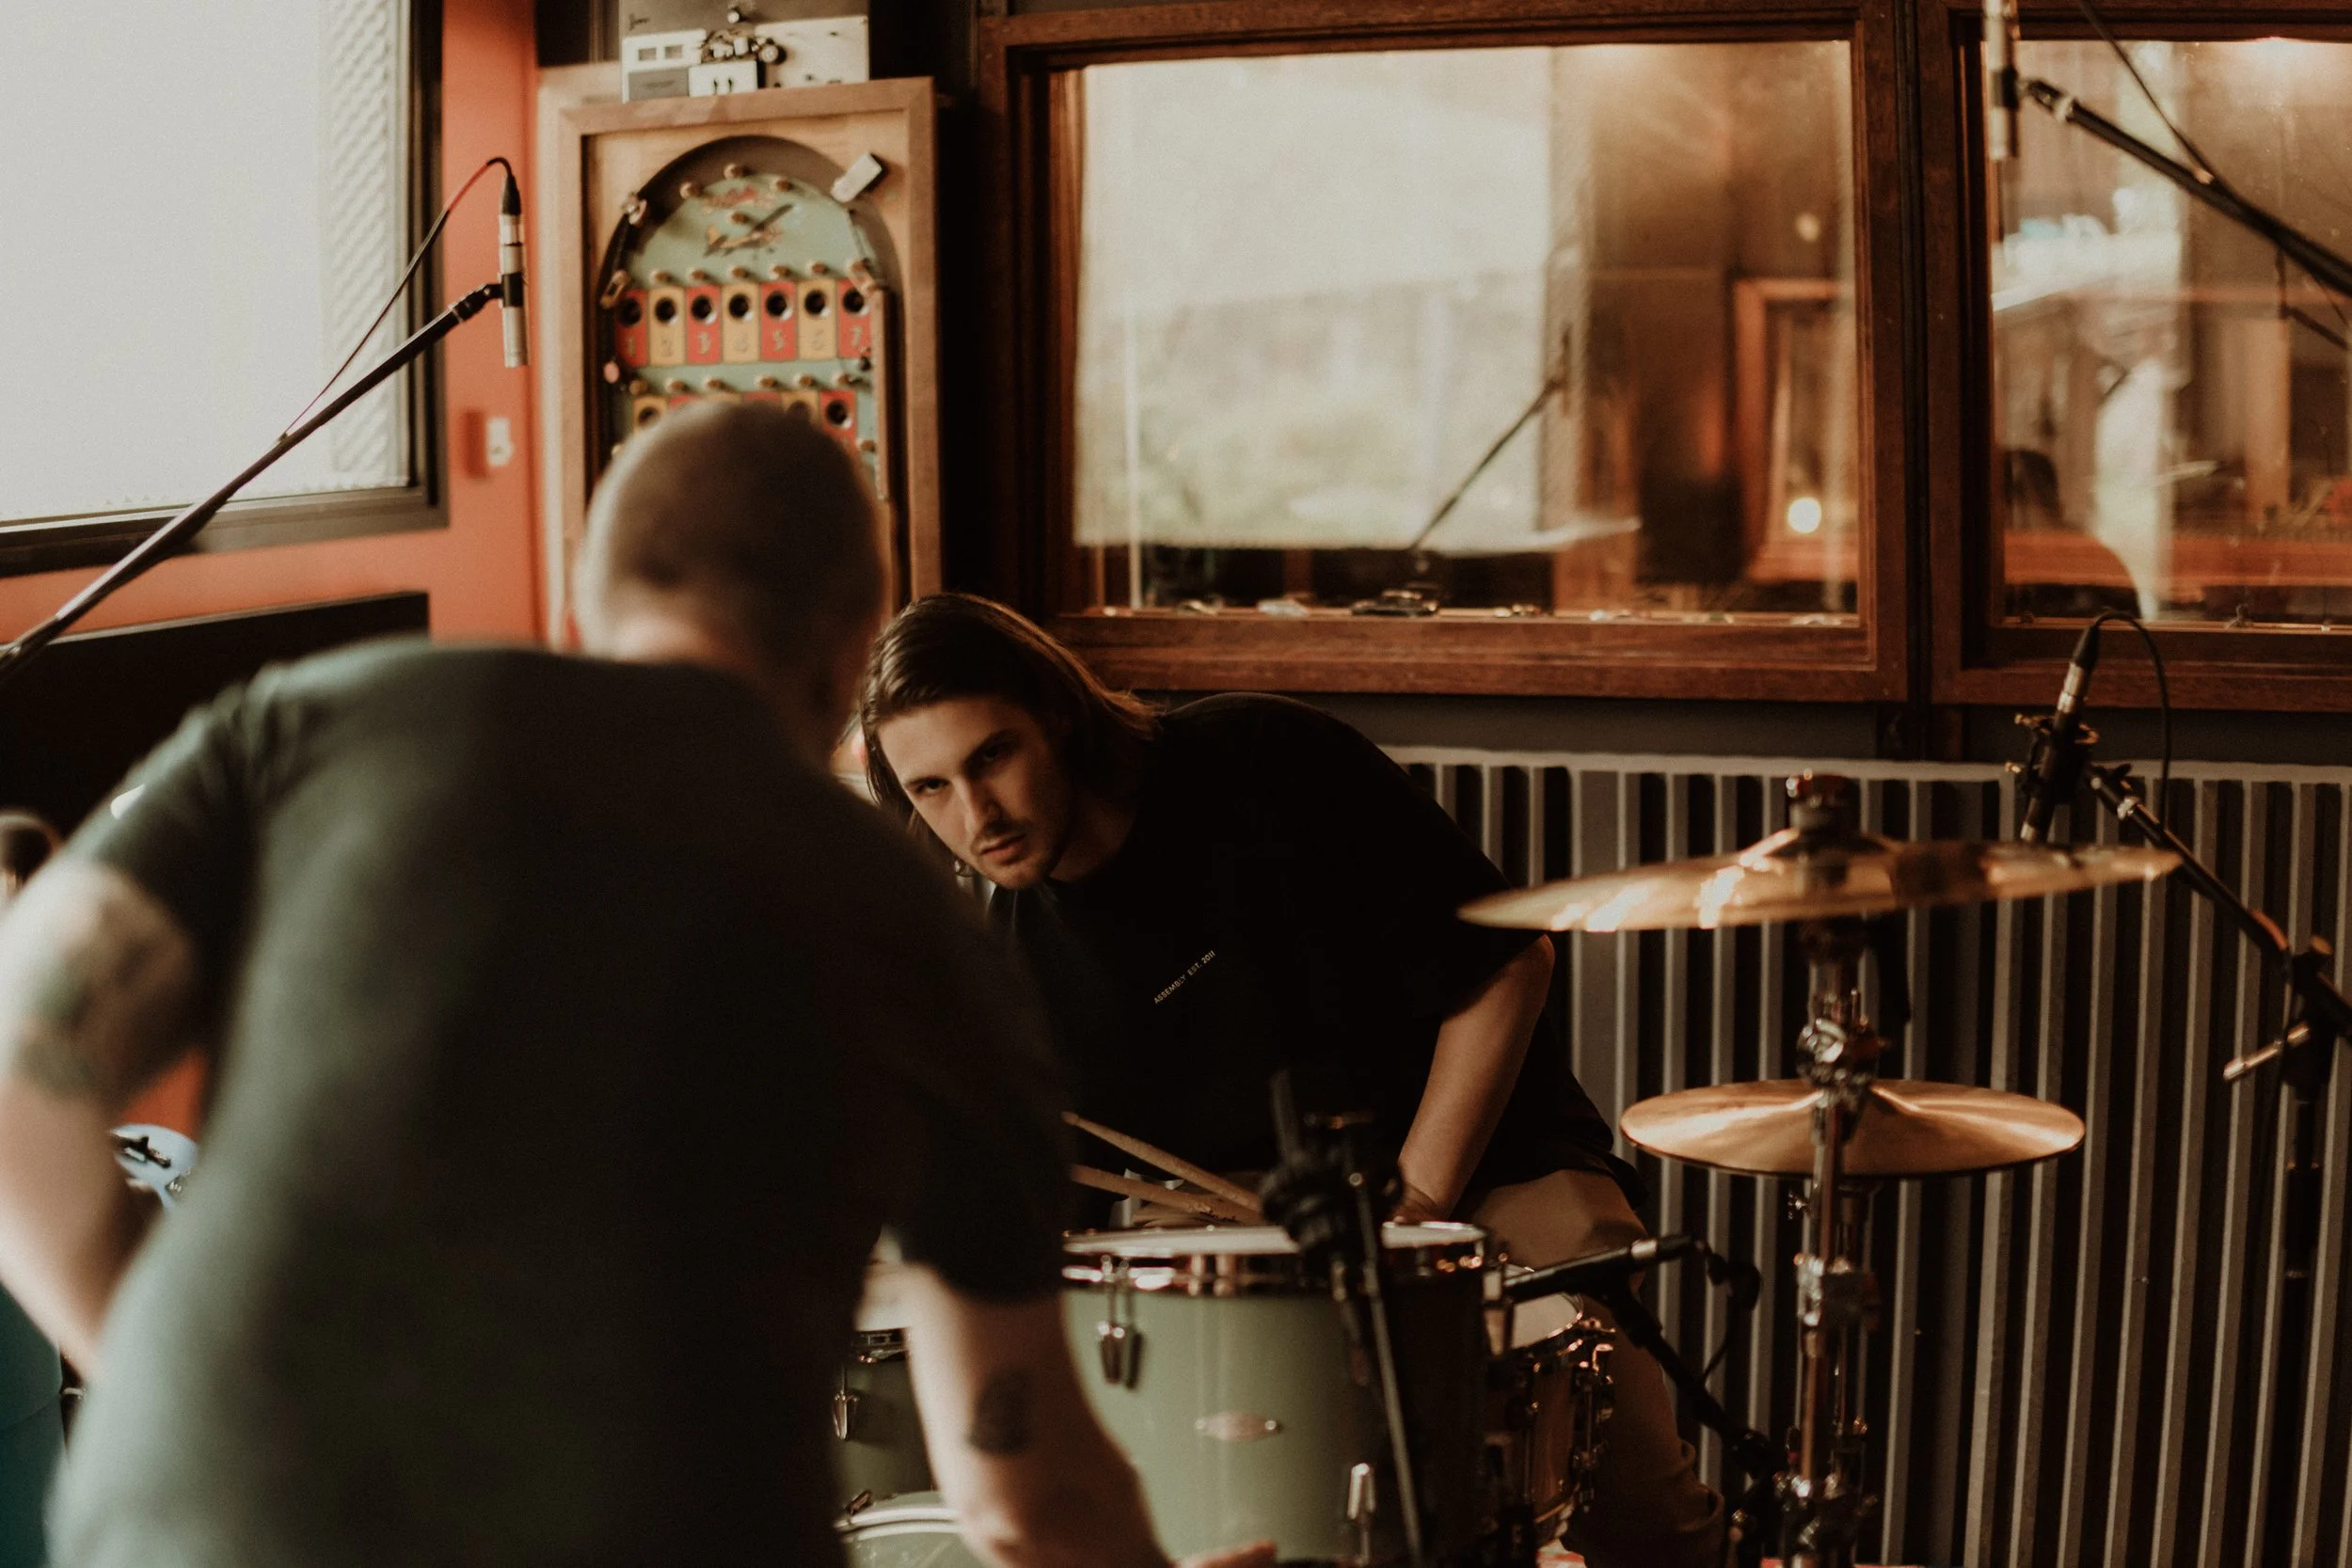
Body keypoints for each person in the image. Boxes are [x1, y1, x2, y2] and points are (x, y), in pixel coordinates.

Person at [0, 404, 1266, 1568]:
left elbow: (18, 1084)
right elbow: (1021, 1497)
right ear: (845, 651)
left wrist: (194, 1383)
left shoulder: (306, 719)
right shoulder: (917, 924)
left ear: (583, 587)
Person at [860, 594, 1727, 1568]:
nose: (977, 817)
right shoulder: (1011, 967)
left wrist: (1417, 1201)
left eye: (991, 756)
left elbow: (1505, 966)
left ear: (1055, 711)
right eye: (930, 788)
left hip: (1490, 1175)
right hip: (1250, 1251)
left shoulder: (1263, 760)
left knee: (1655, 1529)